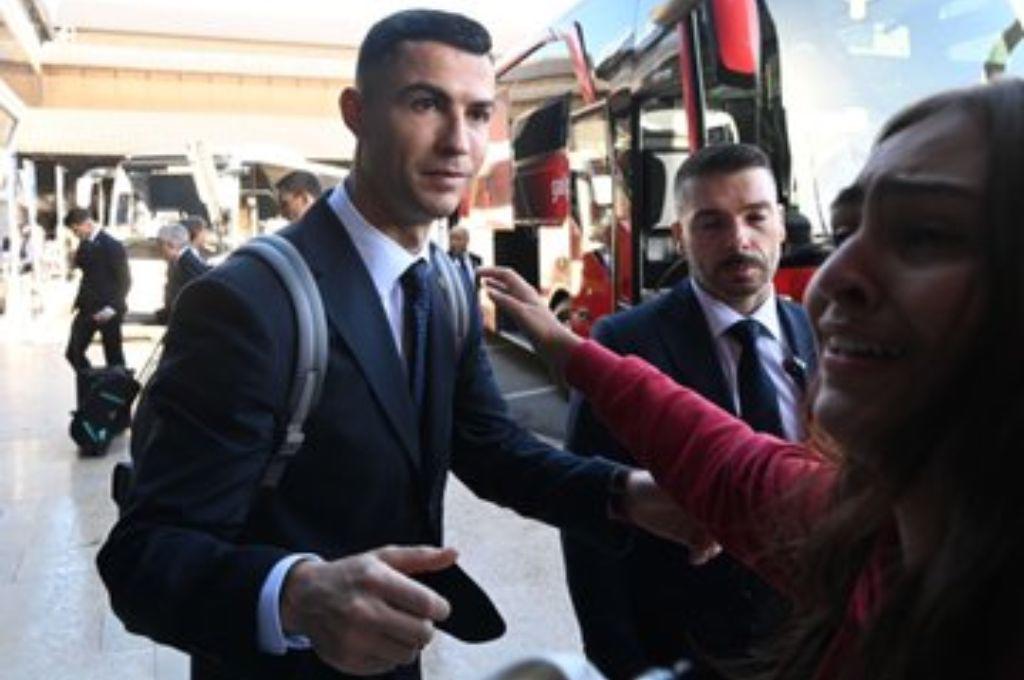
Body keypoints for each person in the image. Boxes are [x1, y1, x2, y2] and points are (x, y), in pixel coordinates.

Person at [96, 11, 697, 680]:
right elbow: (143, 555)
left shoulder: (443, 284)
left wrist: (623, 493)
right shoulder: (250, 302)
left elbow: (491, 448)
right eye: (425, 103)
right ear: (356, 113)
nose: (458, 142)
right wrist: (294, 595)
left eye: (476, 114)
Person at [482, 78, 1024, 680]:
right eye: (845, 233)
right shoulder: (864, 529)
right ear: (681, 236)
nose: (831, 279)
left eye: (924, 235)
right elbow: (731, 467)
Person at [561, 143, 817, 679]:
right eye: (712, 224)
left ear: (781, 226)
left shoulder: (817, 335)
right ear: (679, 237)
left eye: (754, 217)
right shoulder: (625, 341)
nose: (739, 240)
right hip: (680, 648)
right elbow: (586, 508)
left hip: (807, 642)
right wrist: (618, 660)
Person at [64, 207, 130, 370]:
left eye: (76, 230)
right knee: (73, 352)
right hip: (87, 308)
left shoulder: (112, 245)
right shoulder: (84, 243)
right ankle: (92, 383)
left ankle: (117, 391)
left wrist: (112, 308)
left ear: (87, 224)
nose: (75, 234)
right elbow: (84, 267)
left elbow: (125, 281)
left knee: (114, 356)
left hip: (108, 309)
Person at [154, 222, 211, 324]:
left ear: (172, 244)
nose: (159, 251)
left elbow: (197, 295)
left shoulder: (188, 262)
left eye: (160, 246)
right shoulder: (181, 260)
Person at [447, 224, 482, 289]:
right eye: (451, 239)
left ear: (467, 240)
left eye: (458, 239)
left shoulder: (476, 260)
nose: (453, 243)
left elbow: (477, 285)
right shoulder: (443, 260)